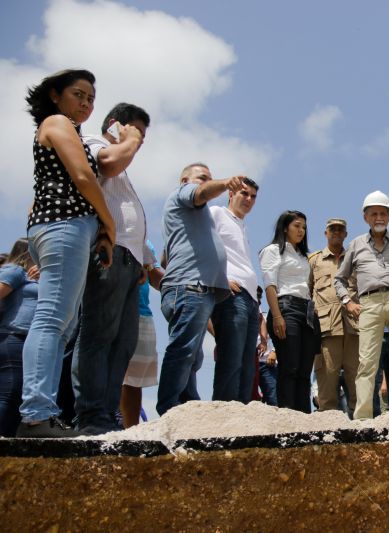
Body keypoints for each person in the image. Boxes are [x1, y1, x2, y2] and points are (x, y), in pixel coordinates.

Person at [19, 69, 116, 438]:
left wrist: (98, 232)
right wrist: (109, 224)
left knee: (63, 323)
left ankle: (42, 413)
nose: (86, 103)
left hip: (68, 227)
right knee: (52, 319)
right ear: (55, 95)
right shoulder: (57, 122)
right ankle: (35, 415)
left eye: (91, 98)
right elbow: (83, 176)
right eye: (79, 94)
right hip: (64, 226)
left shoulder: (66, 130)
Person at [71, 103, 152, 434]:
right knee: (98, 334)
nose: (140, 141)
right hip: (108, 252)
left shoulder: (123, 163)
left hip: (130, 261)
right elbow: (107, 165)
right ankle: (90, 415)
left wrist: (141, 259)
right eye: (137, 131)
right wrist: (129, 140)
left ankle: (106, 415)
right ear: (117, 124)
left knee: (123, 342)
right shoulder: (94, 143)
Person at [157, 163, 245, 415]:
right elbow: (200, 192)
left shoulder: (193, 216)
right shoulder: (183, 193)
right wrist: (225, 182)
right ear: (185, 180)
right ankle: (169, 409)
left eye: (210, 178)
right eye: (202, 177)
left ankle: (186, 406)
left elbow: (165, 259)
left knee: (193, 356)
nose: (207, 181)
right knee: (184, 350)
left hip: (193, 287)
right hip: (189, 287)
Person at [334, 191, 389, 419]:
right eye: (373, 214)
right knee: (367, 363)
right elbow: (339, 279)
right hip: (368, 303)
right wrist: (348, 302)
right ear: (365, 217)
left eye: (383, 213)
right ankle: (363, 417)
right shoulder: (356, 244)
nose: (378, 217)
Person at [260, 210, 320, 413]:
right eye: (296, 226)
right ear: (285, 227)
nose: (301, 230)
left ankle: (304, 417)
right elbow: (270, 285)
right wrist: (277, 316)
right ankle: (287, 415)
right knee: (289, 366)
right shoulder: (273, 250)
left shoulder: (303, 256)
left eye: (304, 227)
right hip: (286, 307)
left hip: (307, 310)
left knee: (304, 370)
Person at [210, 178, 261, 403]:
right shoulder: (216, 213)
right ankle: (223, 413)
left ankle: (241, 413)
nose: (249, 199)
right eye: (244, 193)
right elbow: (201, 243)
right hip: (232, 295)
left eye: (253, 196)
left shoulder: (242, 226)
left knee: (247, 364)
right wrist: (219, 278)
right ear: (231, 194)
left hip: (250, 299)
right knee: (231, 358)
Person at [308, 218, 359, 415]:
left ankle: (360, 422)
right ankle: (327, 420)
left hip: (354, 326)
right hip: (326, 328)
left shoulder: (354, 259)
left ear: (346, 234)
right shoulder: (314, 260)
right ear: (326, 233)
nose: (336, 232)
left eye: (340, 229)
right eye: (332, 229)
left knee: (357, 376)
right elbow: (307, 293)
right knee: (327, 376)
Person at [119, 240, 164, 428]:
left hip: (143, 315)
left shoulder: (147, 243)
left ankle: (131, 433)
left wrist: (180, 281)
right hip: (113, 311)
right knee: (113, 376)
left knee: (134, 382)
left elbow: (157, 279)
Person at [0, 239, 39, 437]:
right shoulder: (15, 271)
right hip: (13, 336)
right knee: (10, 391)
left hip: (24, 338)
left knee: (16, 394)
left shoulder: (34, 276)